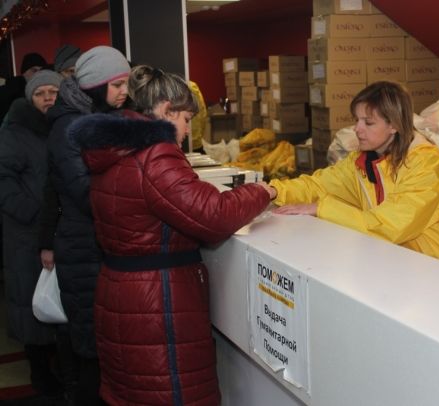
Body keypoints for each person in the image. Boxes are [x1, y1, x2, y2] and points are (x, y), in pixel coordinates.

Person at [70, 65, 273, 405]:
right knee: (171, 393)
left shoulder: (115, 150)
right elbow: (214, 215)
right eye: (186, 119)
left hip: (122, 295)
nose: (188, 130)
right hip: (158, 303)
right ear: (166, 110)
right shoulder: (155, 153)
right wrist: (263, 192)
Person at [268, 81, 439, 276]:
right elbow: (318, 184)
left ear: (393, 125)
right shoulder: (363, 162)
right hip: (415, 267)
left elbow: (389, 225)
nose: (357, 129)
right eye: (357, 120)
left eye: (368, 122)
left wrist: (321, 208)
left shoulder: (426, 164)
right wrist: (273, 190)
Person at [45, 45, 130, 405]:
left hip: (97, 244)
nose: (124, 92)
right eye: (117, 85)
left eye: (126, 83)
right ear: (95, 85)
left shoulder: (102, 117)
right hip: (83, 247)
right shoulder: (69, 127)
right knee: (92, 353)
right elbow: (85, 192)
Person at [0, 69, 64, 397]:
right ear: (30, 98)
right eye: (41, 93)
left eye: (54, 91)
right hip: (26, 233)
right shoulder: (14, 131)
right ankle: (39, 371)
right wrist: (37, 215)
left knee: (55, 301)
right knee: (31, 301)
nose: (48, 98)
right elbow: (3, 182)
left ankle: (59, 368)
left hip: (56, 229)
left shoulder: (62, 126)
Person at [0, 52, 48, 122]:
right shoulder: (7, 93)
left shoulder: (48, 93)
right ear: (24, 73)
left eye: (41, 71)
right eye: (34, 70)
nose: (38, 74)